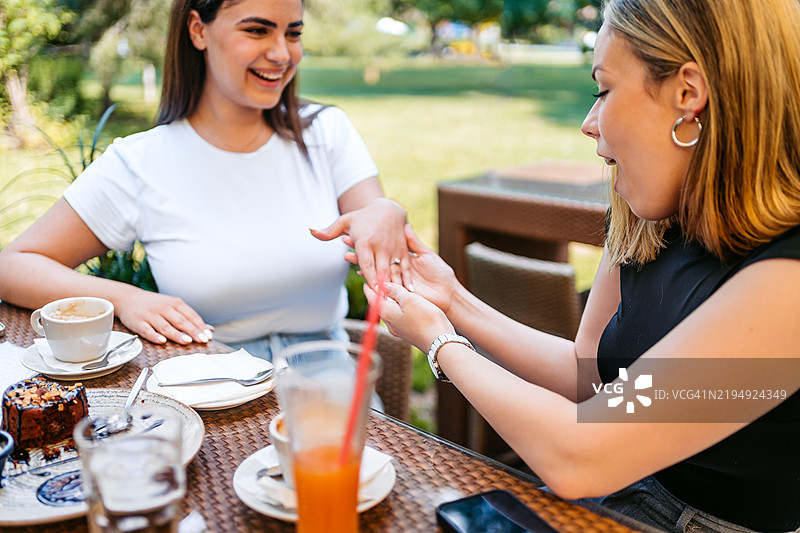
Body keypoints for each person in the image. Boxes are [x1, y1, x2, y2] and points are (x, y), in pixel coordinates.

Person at [366, 0, 800, 531]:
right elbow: (588, 377)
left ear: (688, 95)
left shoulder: (789, 280)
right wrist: (453, 302)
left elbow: (580, 455)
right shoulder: (652, 219)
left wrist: (441, 343)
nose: (587, 124)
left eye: (603, 89)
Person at [0, 0, 411, 358]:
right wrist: (124, 298)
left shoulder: (328, 133)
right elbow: (12, 267)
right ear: (198, 30)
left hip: (327, 380)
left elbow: (380, 241)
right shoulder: (139, 162)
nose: (282, 53)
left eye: (294, 33)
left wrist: (385, 212)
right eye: (257, 30)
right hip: (206, 386)